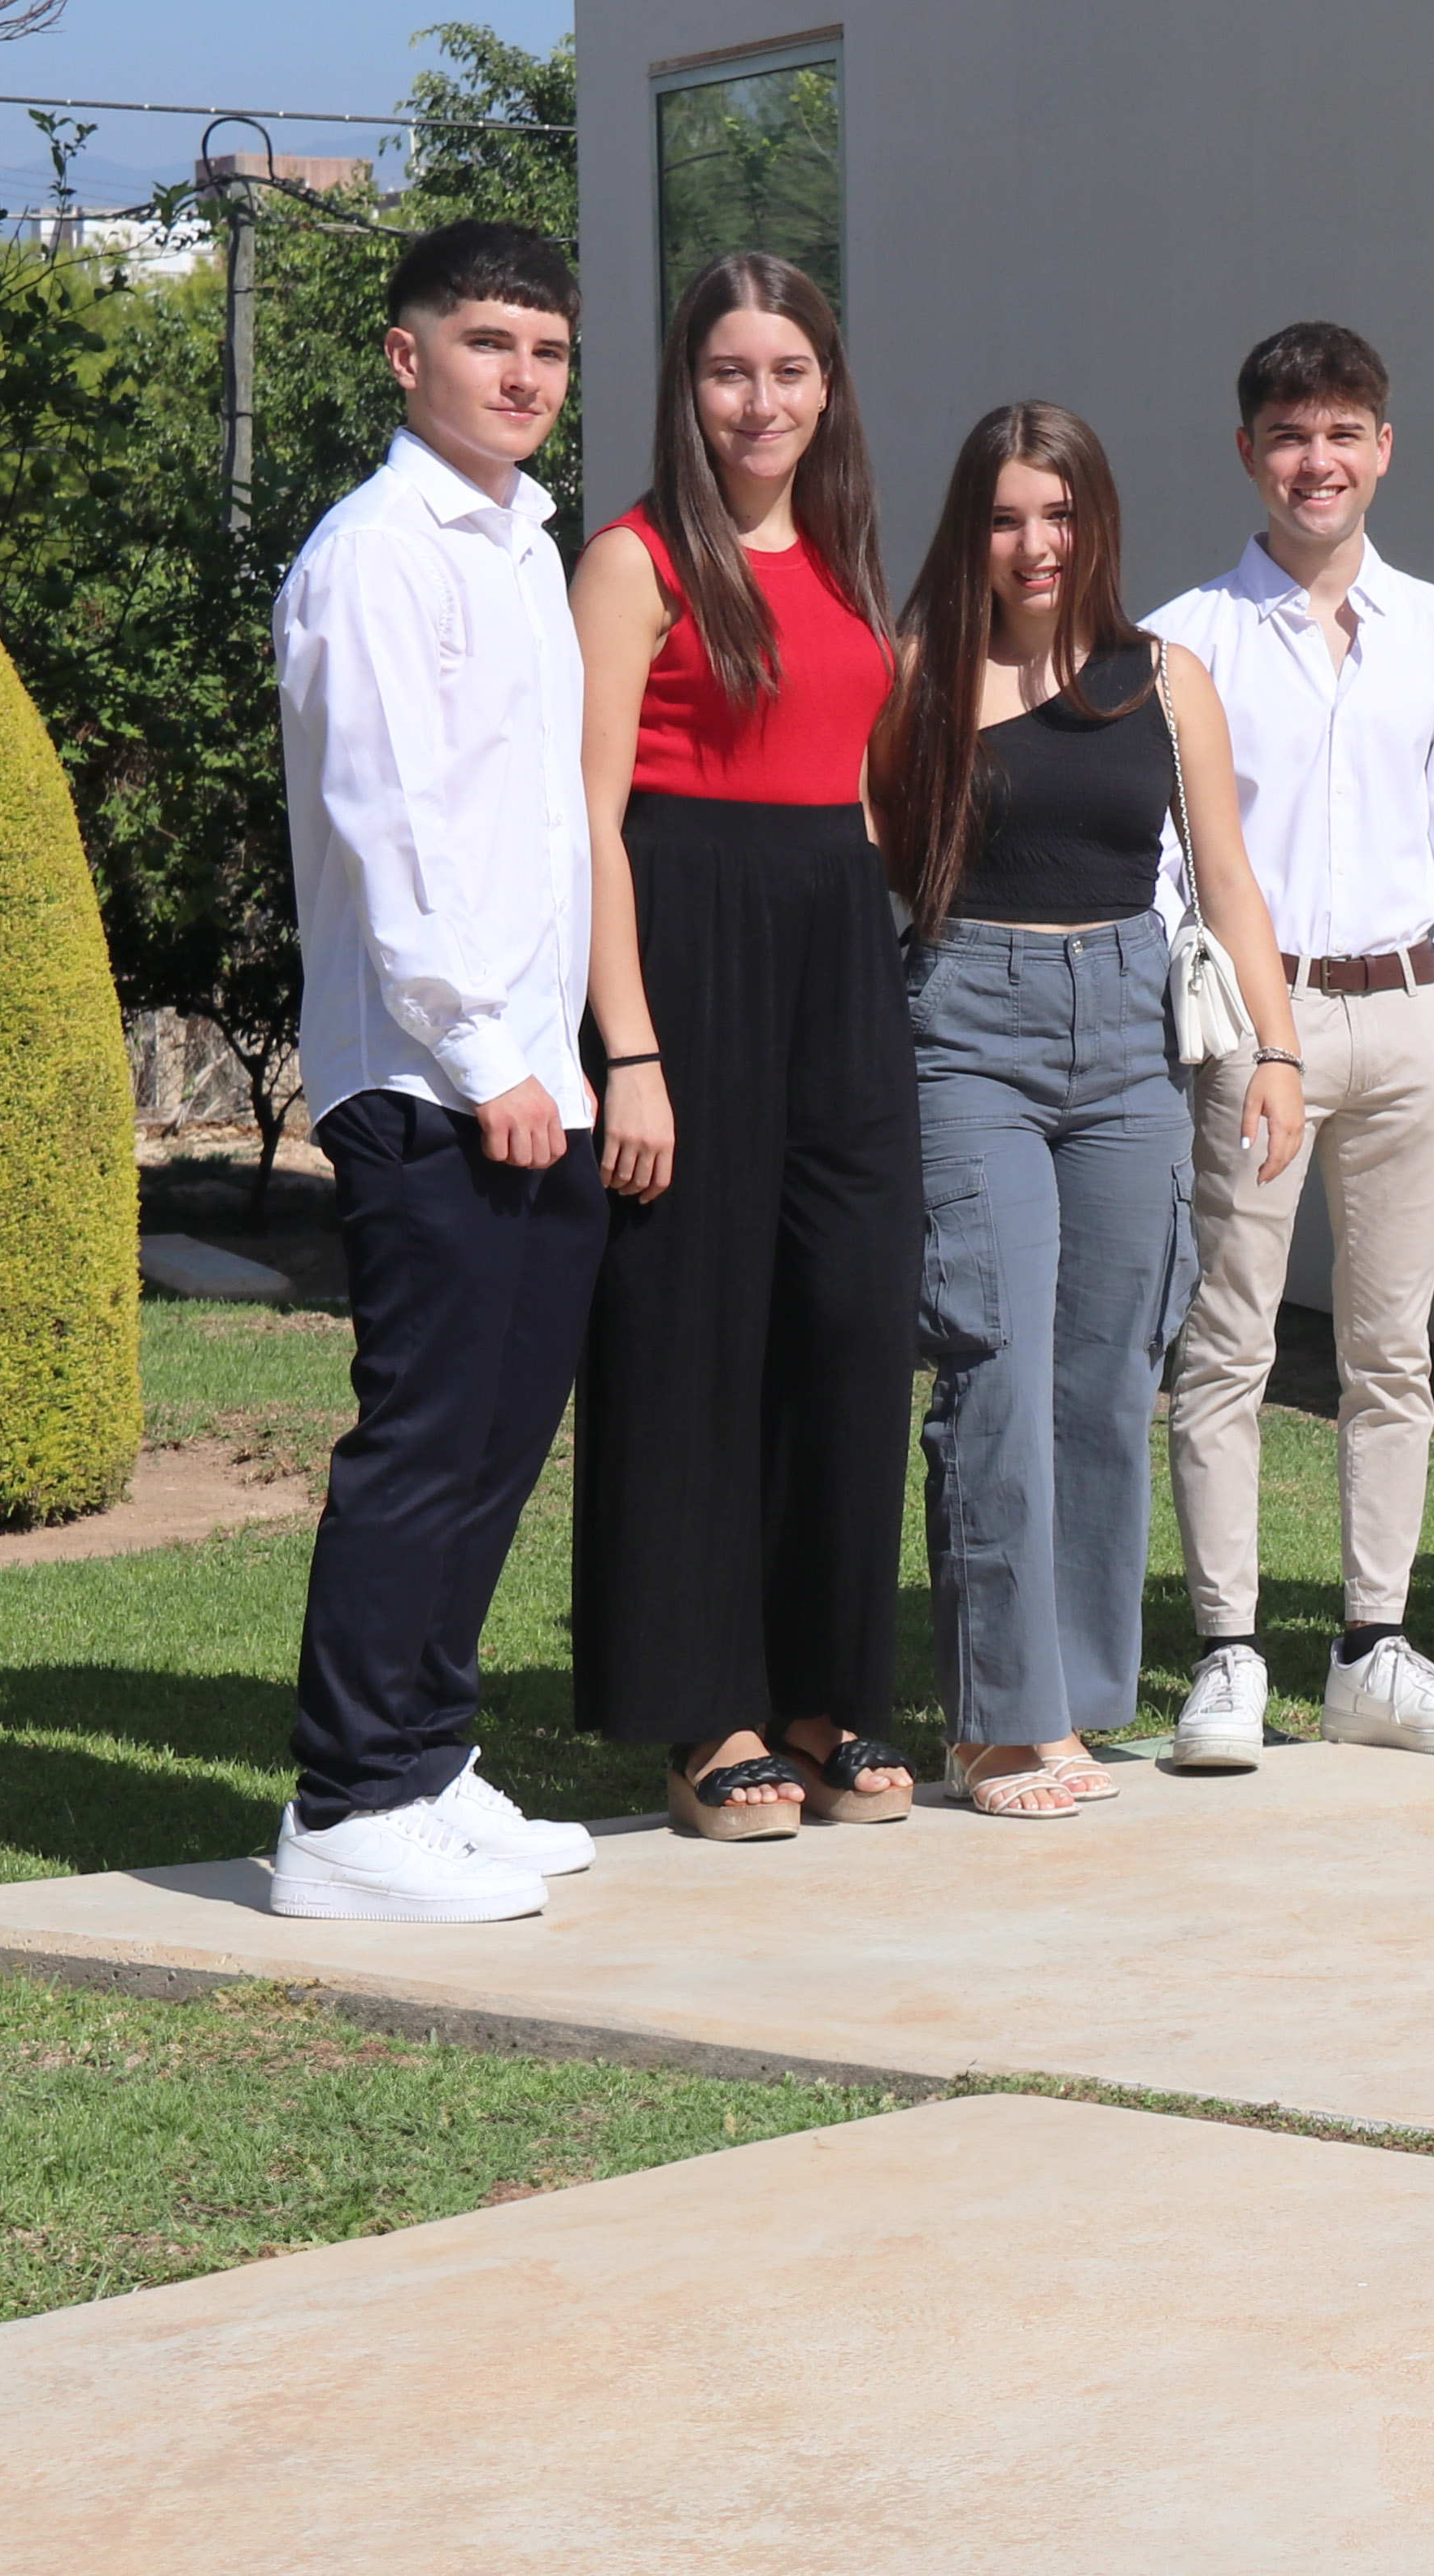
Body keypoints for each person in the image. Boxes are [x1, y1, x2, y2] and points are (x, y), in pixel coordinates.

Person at [872, 403, 1305, 1816]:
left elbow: (1228, 883)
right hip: (969, 1029)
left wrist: (1277, 1055)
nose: (1035, 544)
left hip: (1129, 1038)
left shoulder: (1165, 680)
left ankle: (1069, 1702)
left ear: (1097, 522)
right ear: (972, 532)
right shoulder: (923, 670)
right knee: (996, 1361)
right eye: (1006, 518)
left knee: (1111, 1371)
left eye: (1059, 515)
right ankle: (996, 1723)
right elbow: (865, 859)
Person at [259, 220, 610, 1920]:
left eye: (544, 347)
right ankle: (344, 1807)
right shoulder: (379, 552)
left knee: (495, 1440)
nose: (522, 375)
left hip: (536, 1069)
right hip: (431, 1074)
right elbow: (389, 828)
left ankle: (424, 1753)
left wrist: (564, 1055)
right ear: (408, 357)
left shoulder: (524, 542)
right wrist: (486, 1055)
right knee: (423, 1438)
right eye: (488, 343)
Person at [568, 252, 924, 1840]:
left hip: (839, 961)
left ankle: (823, 1690)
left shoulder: (851, 557)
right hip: (688, 955)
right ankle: (704, 1711)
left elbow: (866, 787)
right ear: (686, 386)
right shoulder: (634, 560)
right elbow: (586, 817)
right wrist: (630, 1051)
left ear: (828, 385)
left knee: (851, 1331)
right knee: (690, 1343)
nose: (759, 400)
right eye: (729, 370)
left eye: (788, 369)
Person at [1148, 323, 1434, 1763]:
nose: (1321, 461)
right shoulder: (1188, 635)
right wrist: (1234, 1024)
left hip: (1411, 1016)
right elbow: (1177, 855)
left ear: (1384, 448)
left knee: (1392, 1352)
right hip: (1263, 1028)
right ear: (1251, 453)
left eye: (1346, 432)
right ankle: (1229, 1652)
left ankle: (1374, 1645)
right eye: (1292, 436)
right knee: (1232, 1342)